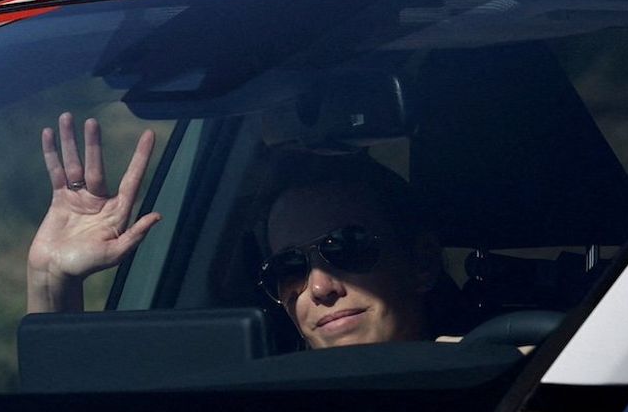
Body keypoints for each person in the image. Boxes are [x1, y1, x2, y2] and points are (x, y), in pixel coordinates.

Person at [26, 112, 442, 349]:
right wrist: (51, 279)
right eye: (289, 266)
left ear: (421, 262)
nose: (318, 287)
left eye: (346, 248)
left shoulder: (505, 394)